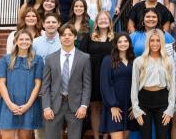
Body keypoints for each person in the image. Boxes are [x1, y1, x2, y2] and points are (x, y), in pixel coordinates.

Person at [0, 30, 43, 139]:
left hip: (28, 104)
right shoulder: (5, 59)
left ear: (31, 42)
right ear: (16, 41)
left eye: (27, 39)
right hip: (8, 103)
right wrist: (10, 104)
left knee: (25, 137)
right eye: (21, 39)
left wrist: (27, 105)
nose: (24, 42)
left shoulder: (37, 60)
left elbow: (38, 84)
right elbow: (1, 83)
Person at [42, 24, 91, 139]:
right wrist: (46, 107)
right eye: (63, 35)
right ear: (59, 38)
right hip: (54, 106)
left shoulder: (84, 58)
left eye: (70, 34)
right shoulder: (50, 58)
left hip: (76, 107)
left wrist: (84, 106)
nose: (67, 37)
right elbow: (45, 85)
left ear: (75, 37)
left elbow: (87, 85)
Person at [130, 29, 176, 139]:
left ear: (162, 42)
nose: (155, 43)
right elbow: (134, 86)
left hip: (162, 101)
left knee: (162, 136)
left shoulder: (168, 60)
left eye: (158, 40)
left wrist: (170, 109)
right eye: (152, 40)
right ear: (148, 42)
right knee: (145, 136)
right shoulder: (139, 61)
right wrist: (136, 108)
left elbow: (173, 85)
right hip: (144, 102)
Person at [79, 11, 114, 139]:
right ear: (96, 22)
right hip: (92, 75)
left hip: (110, 76)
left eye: (106, 19)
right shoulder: (88, 38)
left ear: (110, 22)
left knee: (108, 106)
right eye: (100, 19)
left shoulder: (115, 38)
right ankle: (96, 136)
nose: (103, 21)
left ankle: (105, 136)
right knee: (94, 107)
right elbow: (81, 57)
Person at [99, 33, 136, 139]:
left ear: (129, 43)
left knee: (125, 136)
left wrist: (135, 105)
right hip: (115, 106)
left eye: (125, 41)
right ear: (115, 44)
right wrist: (112, 105)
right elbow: (105, 84)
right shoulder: (108, 60)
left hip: (129, 106)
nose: (123, 44)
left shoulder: (134, 60)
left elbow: (138, 84)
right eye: (120, 41)